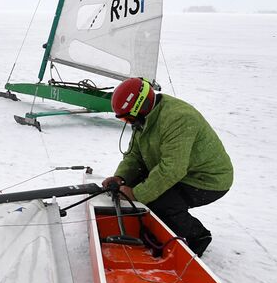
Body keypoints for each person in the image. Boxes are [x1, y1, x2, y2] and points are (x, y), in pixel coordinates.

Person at [99, 77, 233, 257]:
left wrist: (136, 194)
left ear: (141, 107)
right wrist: (121, 178)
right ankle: (152, 226)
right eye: (124, 120)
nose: (128, 123)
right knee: (143, 185)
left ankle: (197, 236)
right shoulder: (143, 119)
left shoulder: (179, 118)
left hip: (208, 178)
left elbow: (172, 169)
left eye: (128, 118)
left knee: (161, 200)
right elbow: (134, 155)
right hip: (182, 169)